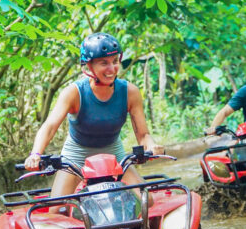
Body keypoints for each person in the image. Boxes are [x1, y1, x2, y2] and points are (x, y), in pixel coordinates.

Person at [24, 33, 164, 197]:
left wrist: (152, 145)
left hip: (113, 153)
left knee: (146, 201)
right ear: (89, 66)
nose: (111, 69)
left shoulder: (130, 92)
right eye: (104, 63)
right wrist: (35, 154)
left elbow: (143, 134)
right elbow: (50, 126)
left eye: (115, 62)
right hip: (76, 155)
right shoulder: (74, 93)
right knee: (58, 208)